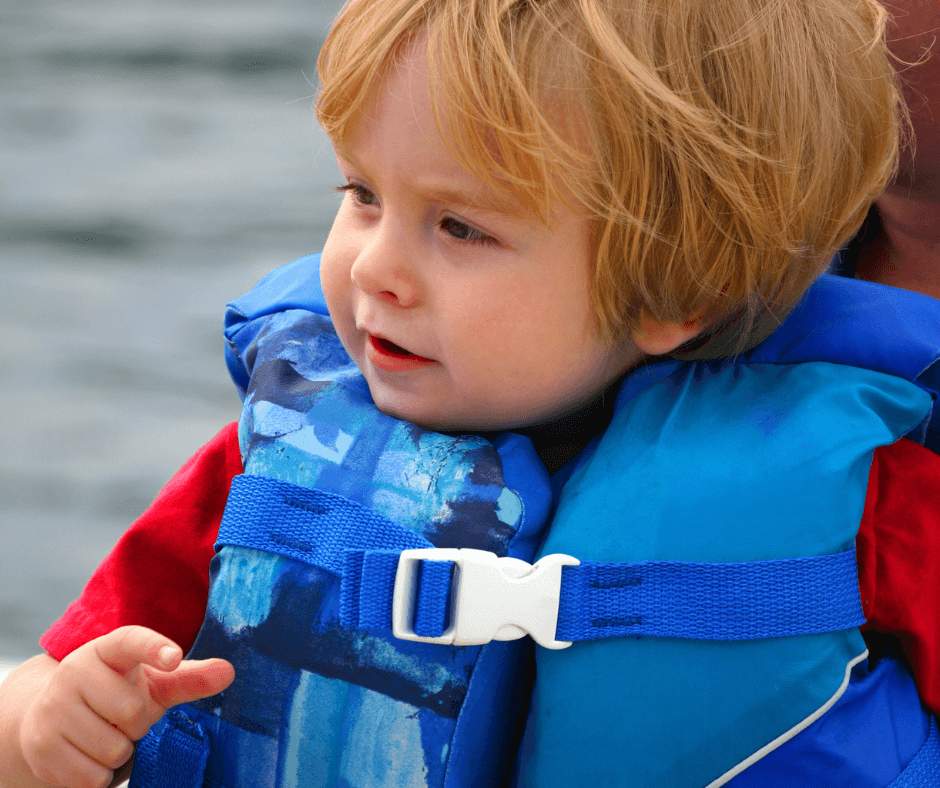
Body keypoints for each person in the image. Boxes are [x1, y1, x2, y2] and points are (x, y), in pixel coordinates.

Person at [2, 0, 940, 786]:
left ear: (679, 291)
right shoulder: (281, 455)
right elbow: (36, 696)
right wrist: (54, 722)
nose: (376, 269)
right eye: (362, 193)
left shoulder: (872, 495)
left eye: (459, 226)